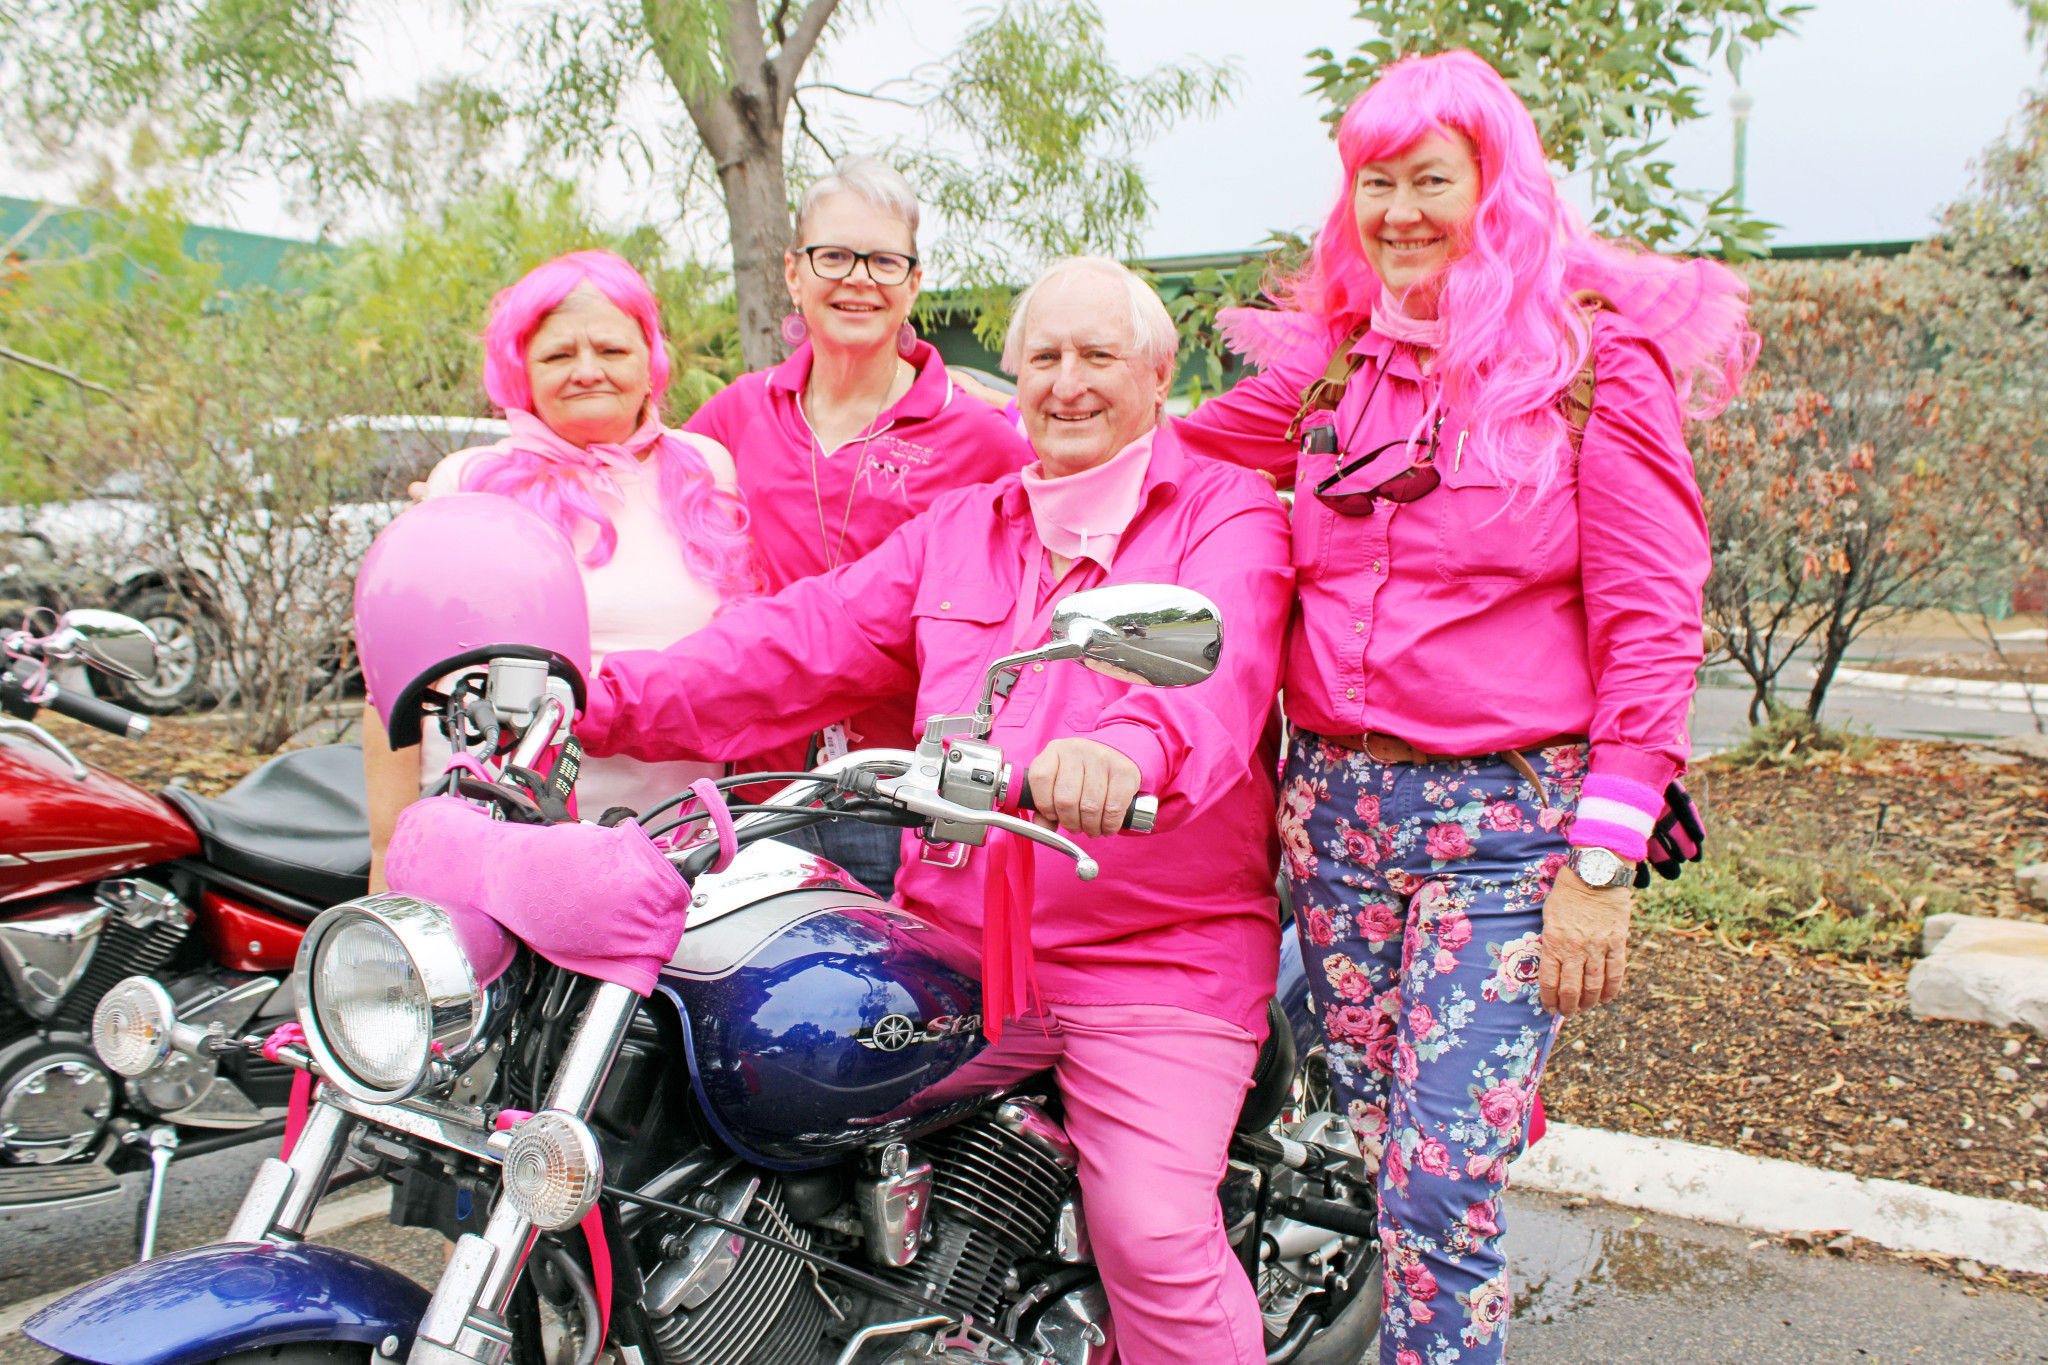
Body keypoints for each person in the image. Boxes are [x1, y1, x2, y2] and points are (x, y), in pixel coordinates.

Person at [576, 256, 1293, 1365]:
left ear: (1157, 379)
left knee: (1151, 1235)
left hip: (1151, 954)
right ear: (1011, 382)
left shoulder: (1223, 511)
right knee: (753, 1105)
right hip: (955, 942)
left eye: (1097, 356)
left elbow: (1215, 673)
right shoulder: (963, 528)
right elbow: (795, 640)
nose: (1067, 383)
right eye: (1042, 358)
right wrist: (588, 697)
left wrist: (1117, 751)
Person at [1168, 51, 1756, 1365]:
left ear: (1497, 186)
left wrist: (1602, 866)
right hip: (1334, 818)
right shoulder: (1334, 371)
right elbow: (1165, 458)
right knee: (1391, 1153)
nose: (1400, 212)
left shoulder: (1594, 368)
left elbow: (1655, 627)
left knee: (1441, 1182)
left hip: (1507, 827)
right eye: (1376, 184)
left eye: (1431, 179)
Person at [683, 155, 1032, 895]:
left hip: (901, 797)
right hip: (757, 790)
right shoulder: (735, 414)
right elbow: (631, 489)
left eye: (883, 260)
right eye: (834, 256)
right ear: (794, 273)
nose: (858, 279)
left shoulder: (980, 439)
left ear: (913, 282)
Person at [364, 249, 753, 894]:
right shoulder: (467, 484)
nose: (587, 372)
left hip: (674, 853)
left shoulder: (705, 468)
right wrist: (387, 861)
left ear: (650, 362)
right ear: (521, 373)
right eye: (556, 356)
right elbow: (393, 693)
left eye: (612, 350)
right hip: (494, 849)